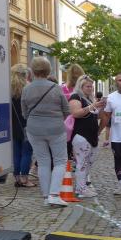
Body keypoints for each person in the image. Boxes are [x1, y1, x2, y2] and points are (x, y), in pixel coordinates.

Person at [21, 57, 71, 206]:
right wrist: (57, 119)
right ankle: (54, 195)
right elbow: (66, 110)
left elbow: (24, 113)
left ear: (32, 71)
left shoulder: (26, 89)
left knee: (43, 162)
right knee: (60, 161)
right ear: (48, 70)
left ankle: (45, 197)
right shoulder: (55, 88)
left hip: (34, 129)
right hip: (55, 128)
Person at [69, 74, 105, 198]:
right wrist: (92, 106)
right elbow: (75, 113)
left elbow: (95, 116)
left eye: (91, 86)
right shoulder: (76, 97)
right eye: (88, 86)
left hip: (91, 135)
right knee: (82, 163)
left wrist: (101, 107)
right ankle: (80, 189)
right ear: (81, 86)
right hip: (81, 135)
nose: (90, 88)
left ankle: (83, 186)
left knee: (88, 162)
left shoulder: (89, 98)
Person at [10, 64, 35, 188]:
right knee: (27, 152)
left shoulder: (8, 89)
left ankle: (17, 177)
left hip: (13, 125)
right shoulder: (29, 88)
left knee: (16, 152)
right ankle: (24, 179)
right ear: (25, 75)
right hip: (27, 124)